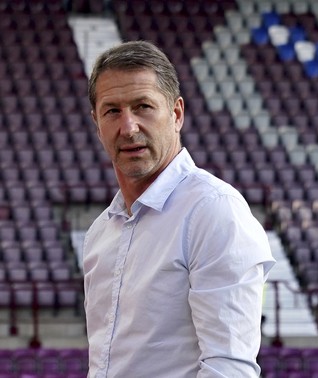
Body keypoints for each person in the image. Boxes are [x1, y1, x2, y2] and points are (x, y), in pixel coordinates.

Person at [83, 40, 275, 377]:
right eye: (112, 111)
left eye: (143, 106)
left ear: (176, 114)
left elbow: (229, 368)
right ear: (97, 123)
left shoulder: (213, 212)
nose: (128, 128)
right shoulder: (101, 231)